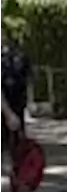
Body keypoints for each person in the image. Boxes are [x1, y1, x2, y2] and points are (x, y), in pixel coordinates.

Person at [0, 27, 31, 169]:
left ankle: (18, 170)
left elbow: (25, 82)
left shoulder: (19, 56)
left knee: (17, 141)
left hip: (16, 104)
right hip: (6, 107)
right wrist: (8, 113)